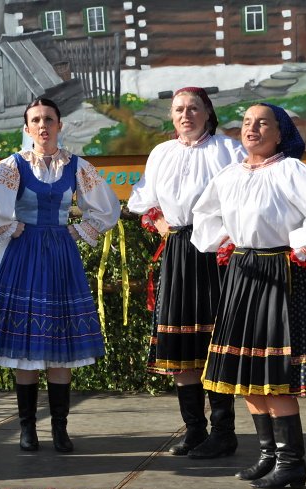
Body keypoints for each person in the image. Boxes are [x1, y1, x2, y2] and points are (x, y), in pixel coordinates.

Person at [191, 103, 306, 489]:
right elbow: (204, 216)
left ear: (280, 133)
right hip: (243, 274)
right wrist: (224, 238)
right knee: (246, 375)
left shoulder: (292, 171)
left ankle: (292, 463)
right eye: (247, 122)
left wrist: (300, 242)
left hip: (280, 274)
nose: (253, 128)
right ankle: (269, 455)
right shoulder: (229, 175)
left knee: (274, 376)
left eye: (263, 122)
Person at [0, 98, 120, 453]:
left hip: (61, 254)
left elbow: (106, 208)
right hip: (23, 254)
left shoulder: (77, 166)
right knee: (26, 346)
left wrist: (81, 231)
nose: (43, 125)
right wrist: (10, 225)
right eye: (35, 120)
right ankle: (27, 429)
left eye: (49, 119)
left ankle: (60, 429)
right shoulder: (14, 165)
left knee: (60, 344)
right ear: (27, 128)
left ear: (60, 125)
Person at [128, 87, 246, 459]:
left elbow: (246, 197)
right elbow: (142, 201)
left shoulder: (228, 150)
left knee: (216, 342)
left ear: (207, 112)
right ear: (171, 116)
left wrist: (227, 237)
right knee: (180, 344)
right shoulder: (161, 153)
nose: (185, 114)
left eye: (193, 108)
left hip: (215, 253)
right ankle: (195, 429)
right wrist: (158, 220)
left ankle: (224, 433)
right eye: (179, 109)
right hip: (179, 251)